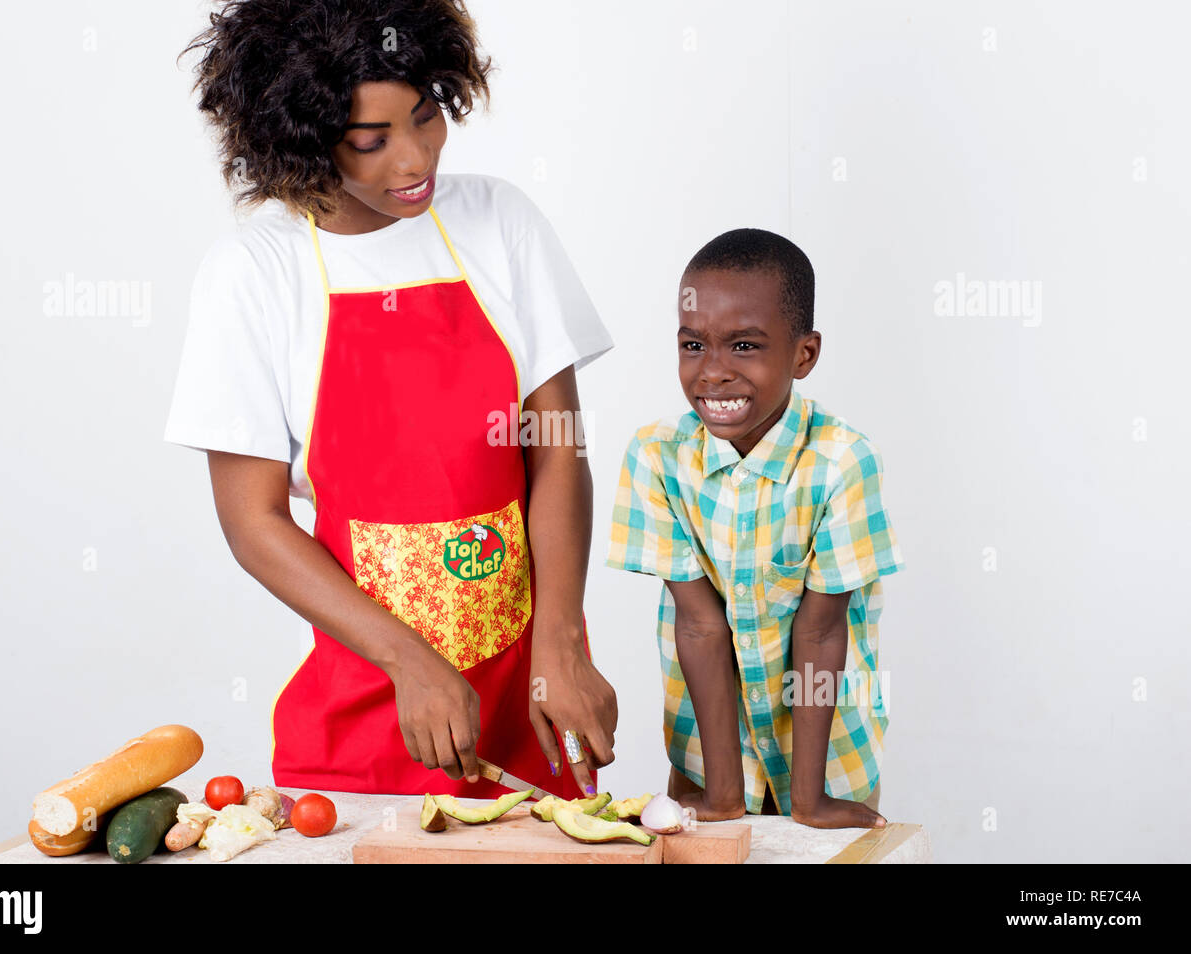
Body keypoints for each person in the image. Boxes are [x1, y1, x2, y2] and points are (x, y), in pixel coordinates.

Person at [164, 0, 617, 801]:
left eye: (426, 115)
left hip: (530, 708)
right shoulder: (255, 275)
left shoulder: (497, 220)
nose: (414, 161)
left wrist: (563, 644)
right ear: (297, 142)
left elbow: (556, 448)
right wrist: (412, 662)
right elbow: (253, 522)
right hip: (360, 730)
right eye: (370, 142)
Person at [604, 228, 905, 829]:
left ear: (804, 355)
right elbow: (699, 623)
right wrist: (720, 796)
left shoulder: (843, 461)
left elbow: (820, 636)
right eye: (694, 345)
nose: (712, 373)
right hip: (710, 758)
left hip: (829, 757)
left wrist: (809, 799)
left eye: (743, 346)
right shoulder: (656, 457)